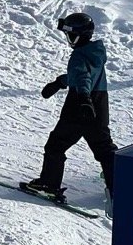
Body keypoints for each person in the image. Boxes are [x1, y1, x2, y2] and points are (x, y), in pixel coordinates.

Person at [22, 13, 116, 201]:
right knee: (104, 149)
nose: (69, 39)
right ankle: (120, 186)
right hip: (99, 105)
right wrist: (59, 83)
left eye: (71, 36)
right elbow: (81, 75)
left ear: (81, 36)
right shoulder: (94, 52)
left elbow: (83, 79)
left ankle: (49, 184)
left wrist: (83, 99)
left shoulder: (79, 57)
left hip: (79, 108)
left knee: (55, 146)